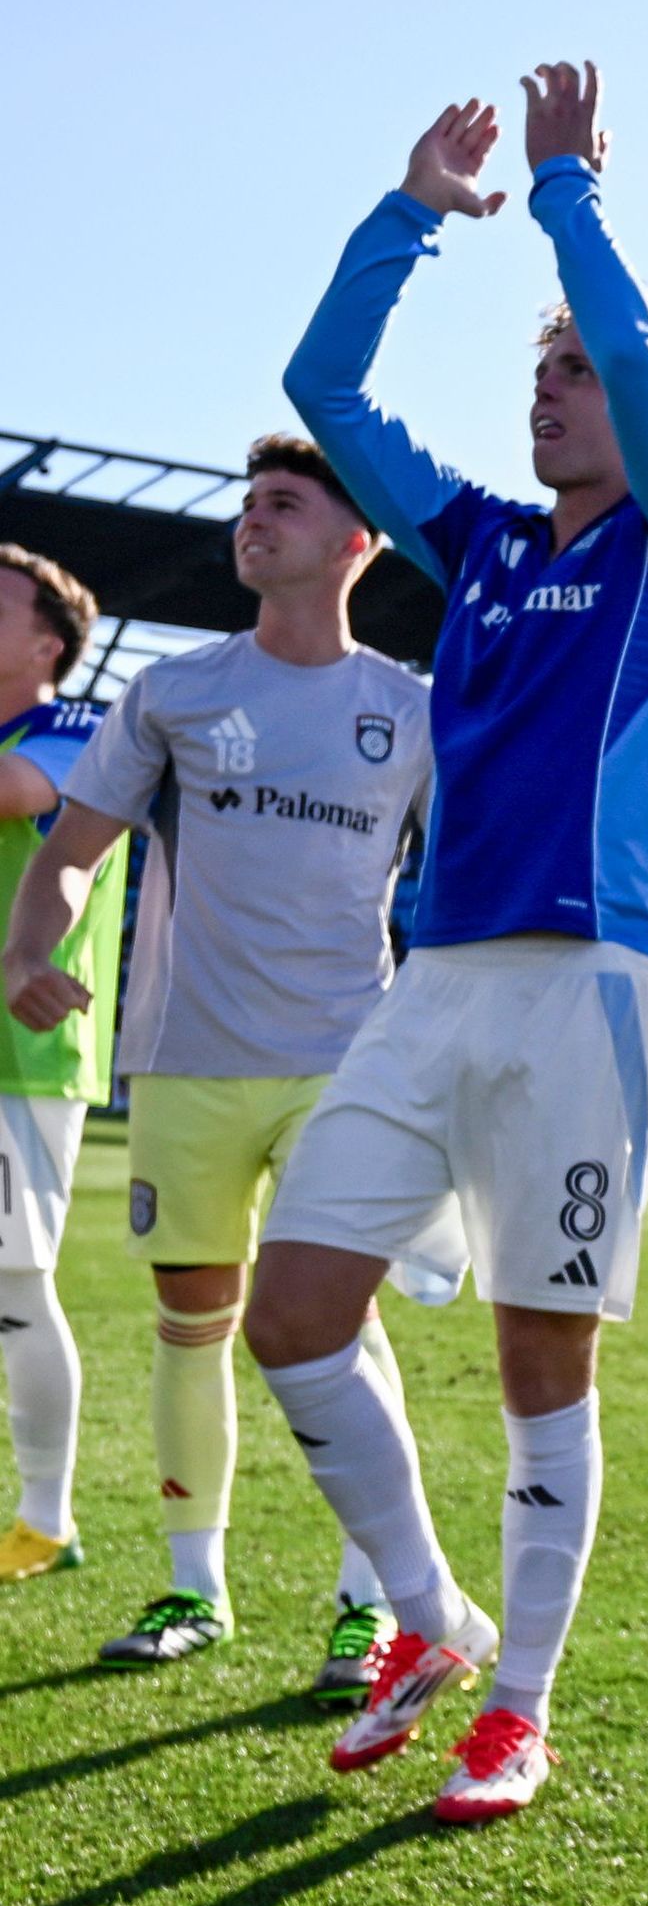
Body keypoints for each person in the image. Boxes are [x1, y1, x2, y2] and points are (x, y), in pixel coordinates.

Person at [256, 64, 648, 1823]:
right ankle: (428, 1614)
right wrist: (409, 214)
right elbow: (322, 389)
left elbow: (634, 364)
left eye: (577, 376)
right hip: (437, 978)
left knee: (544, 1363)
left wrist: (566, 196)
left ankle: (518, 1706)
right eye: (537, 376)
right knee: (292, 1313)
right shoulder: (471, 543)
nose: (549, 391)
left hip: (593, 989)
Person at [2, 440, 432, 1696]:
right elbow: (70, 850)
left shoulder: (414, 709)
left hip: (346, 1057)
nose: (254, 519)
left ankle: (371, 1604)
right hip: (185, 1055)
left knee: (337, 1320)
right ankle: (196, 1584)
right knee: (192, 1318)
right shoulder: (174, 691)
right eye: (248, 503)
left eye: (285, 502)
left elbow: (461, 872)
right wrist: (28, 948)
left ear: (357, 542)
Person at [0, 545, 124, 1589]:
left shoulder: (79, 728)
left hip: (26, 1050)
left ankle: (45, 1516)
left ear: (50, 644)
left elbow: (11, 794)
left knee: (13, 1283)